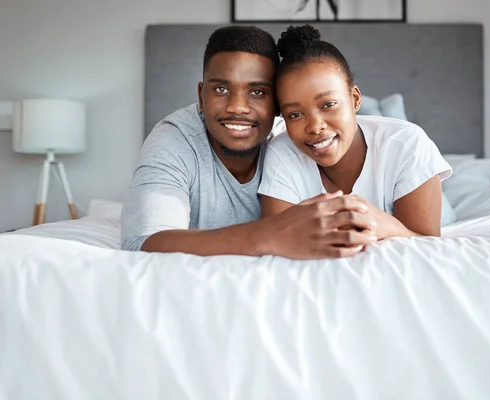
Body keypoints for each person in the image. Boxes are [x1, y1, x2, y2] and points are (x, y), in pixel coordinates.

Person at [121, 25, 379, 259]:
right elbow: (145, 243)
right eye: (221, 89)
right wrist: (268, 236)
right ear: (201, 96)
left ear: (278, 104)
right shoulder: (173, 140)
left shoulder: (297, 141)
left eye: (257, 92)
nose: (237, 108)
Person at [258, 25, 452, 239]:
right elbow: (278, 239)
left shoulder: (408, 145)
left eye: (328, 104)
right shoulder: (282, 153)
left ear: (355, 99)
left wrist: (381, 224)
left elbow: (427, 243)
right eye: (295, 114)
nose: (314, 126)